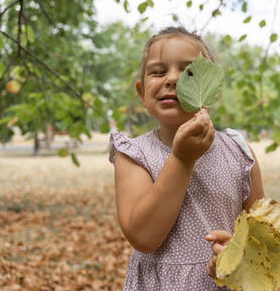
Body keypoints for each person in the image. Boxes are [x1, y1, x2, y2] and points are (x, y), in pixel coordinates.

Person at [108, 26, 265, 290]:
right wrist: (181, 160)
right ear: (142, 93)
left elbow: (263, 238)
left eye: (189, 71)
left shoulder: (239, 153)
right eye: (158, 72)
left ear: (212, 90)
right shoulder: (133, 155)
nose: (172, 79)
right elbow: (144, 237)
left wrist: (237, 254)